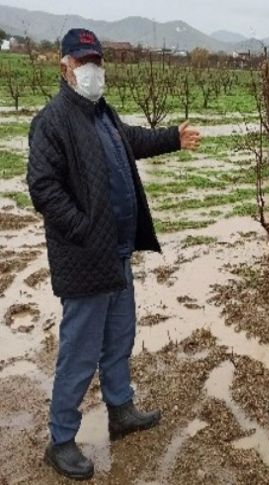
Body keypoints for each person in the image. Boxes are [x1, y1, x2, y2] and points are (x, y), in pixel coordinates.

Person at [26, 28, 201, 481]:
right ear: (64, 67)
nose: (93, 70)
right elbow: (43, 188)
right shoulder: (53, 121)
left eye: (97, 62)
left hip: (118, 253)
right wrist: (83, 230)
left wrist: (172, 138)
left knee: (120, 338)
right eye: (84, 62)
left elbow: (133, 142)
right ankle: (61, 440)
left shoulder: (103, 115)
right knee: (80, 353)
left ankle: (121, 411)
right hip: (86, 258)